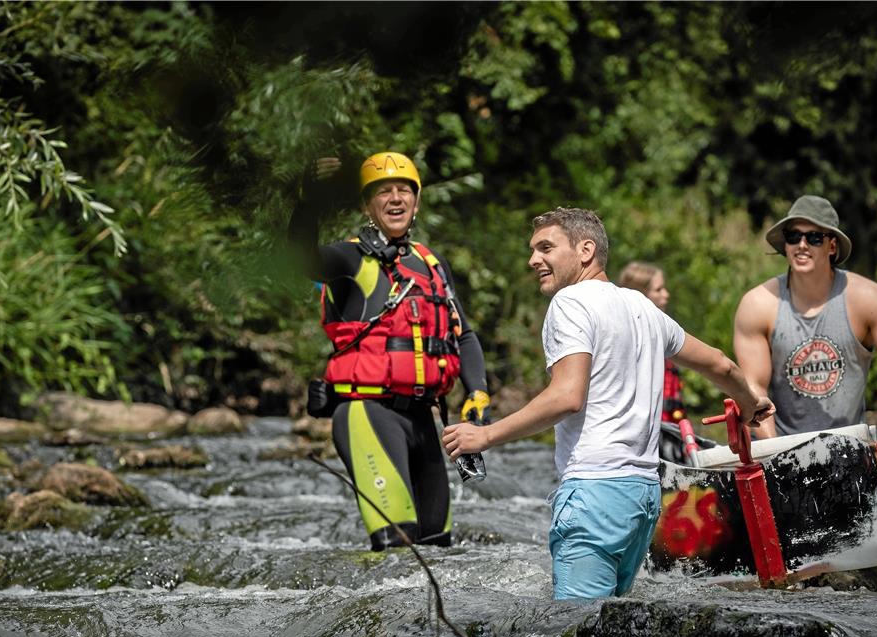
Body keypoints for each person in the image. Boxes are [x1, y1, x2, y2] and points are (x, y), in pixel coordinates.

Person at [442, 208, 773, 600]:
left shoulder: (570, 304)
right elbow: (720, 363)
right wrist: (750, 402)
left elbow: (567, 396)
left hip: (594, 492)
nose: (533, 260)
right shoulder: (643, 307)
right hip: (645, 495)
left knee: (580, 636)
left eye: (545, 247)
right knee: (610, 635)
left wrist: (486, 436)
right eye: (532, 250)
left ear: (585, 250)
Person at [289, 151, 491, 550]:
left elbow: (463, 335)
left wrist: (477, 391)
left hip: (423, 420)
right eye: (384, 191)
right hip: (368, 414)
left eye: (404, 190)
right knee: (397, 549)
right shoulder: (348, 258)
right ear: (368, 205)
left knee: (438, 547)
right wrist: (308, 202)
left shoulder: (432, 264)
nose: (396, 198)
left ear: (416, 203)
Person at [733, 195, 877, 438]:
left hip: (853, 449)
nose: (802, 245)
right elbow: (754, 391)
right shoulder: (758, 305)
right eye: (794, 236)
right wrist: (778, 459)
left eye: (815, 238)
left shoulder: (868, 300)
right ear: (785, 245)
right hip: (784, 448)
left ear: (832, 247)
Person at [617, 262, 683, 424]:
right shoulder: (628, 338)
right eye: (658, 289)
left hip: (672, 430)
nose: (666, 294)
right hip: (648, 431)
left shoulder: (664, 331)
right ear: (641, 294)